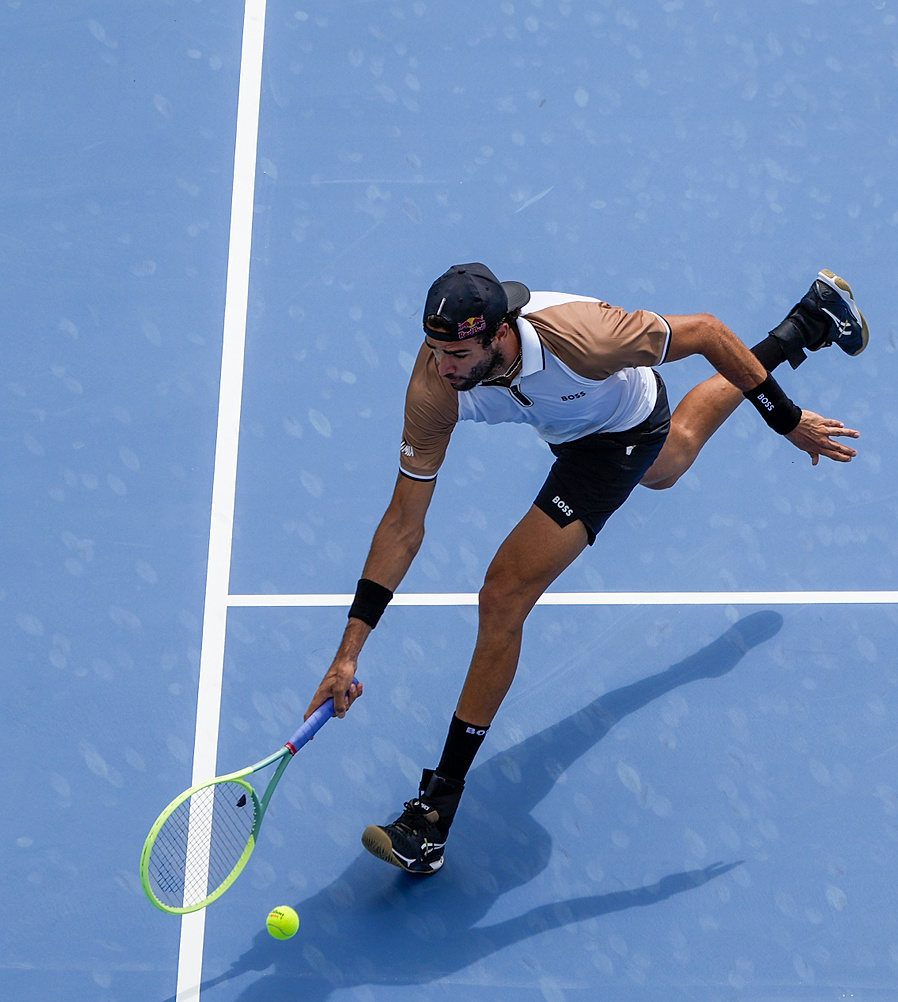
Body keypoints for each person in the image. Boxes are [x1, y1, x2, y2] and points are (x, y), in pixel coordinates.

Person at [304, 263, 868, 874]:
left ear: (499, 335)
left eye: (457, 353)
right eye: (436, 350)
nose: (443, 367)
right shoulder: (435, 384)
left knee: (502, 596)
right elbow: (402, 525)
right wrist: (348, 652)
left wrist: (788, 422)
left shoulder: (588, 338)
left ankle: (433, 816)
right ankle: (805, 324)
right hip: (575, 428)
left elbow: (706, 331)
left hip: (618, 431)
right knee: (673, 457)